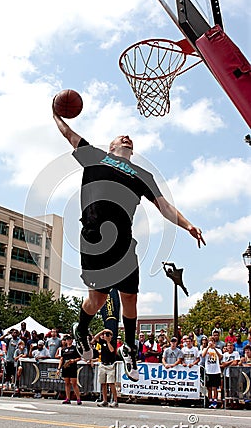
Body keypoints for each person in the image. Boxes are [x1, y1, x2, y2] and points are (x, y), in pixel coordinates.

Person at [52, 105, 205, 382]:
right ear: (111, 146)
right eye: (121, 137)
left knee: (130, 298)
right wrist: (56, 115)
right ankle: (81, 329)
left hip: (123, 241)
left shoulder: (142, 175)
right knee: (96, 301)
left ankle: (130, 348)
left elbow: (164, 206)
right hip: (94, 238)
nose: (127, 137)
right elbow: (69, 135)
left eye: (129, 138)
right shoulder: (95, 157)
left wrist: (187, 225)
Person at [93, 329, 118, 407]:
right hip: (103, 364)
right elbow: (95, 338)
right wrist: (102, 331)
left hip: (110, 366)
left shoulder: (113, 342)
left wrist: (108, 341)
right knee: (103, 383)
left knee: (111, 383)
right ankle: (105, 400)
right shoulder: (102, 342)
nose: (106, 336)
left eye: (108, 334)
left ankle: (115, 401)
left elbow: (112, 350)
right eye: (105, 334)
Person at [57, 335, 82, 405]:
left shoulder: (75, 348)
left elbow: (79, 357)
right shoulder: (63, 349)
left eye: (69, 339)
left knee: (74, 383)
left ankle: (78, 398)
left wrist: (74, 360)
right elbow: (61, 359)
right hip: (65, 367)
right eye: (67, 339)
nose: (68, 341)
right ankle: (67, 398)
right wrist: (59, 368)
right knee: (67, 383)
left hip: (72, 366)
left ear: (71, 340)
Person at [202, 335, 223, 409]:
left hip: (216, 371)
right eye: (210, 341)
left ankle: (215, 401)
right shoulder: (206, 349)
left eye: (212, 341)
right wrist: (208, 347)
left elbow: (220, 357)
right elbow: (203, 355)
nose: (211, 342)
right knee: (209, 388)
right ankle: (210, 401)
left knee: (215, 388)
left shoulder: (218, 349)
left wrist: (215, 349)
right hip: (208, 371)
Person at [221, 341, 240, 408]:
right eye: (228, 345)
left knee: (233, 389)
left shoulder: (236, 353)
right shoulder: (225, 354)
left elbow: (236, 362)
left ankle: (234, 403)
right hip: (226, 374)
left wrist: (227, 364)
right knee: (226, 389)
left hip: (234, 374)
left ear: (233, 347)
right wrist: (231, 361)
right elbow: (223, 364)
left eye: (231, 345)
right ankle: (226, 403)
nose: (230, 347)